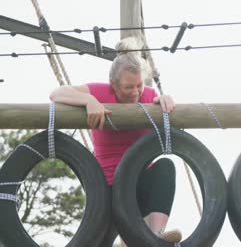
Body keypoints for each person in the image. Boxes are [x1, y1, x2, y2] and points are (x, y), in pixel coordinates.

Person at [49, 37, 182, 245]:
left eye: (139, 85)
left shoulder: (148, 95)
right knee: (100, 239)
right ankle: (126, 239)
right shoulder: (100, 92)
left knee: (165, 166)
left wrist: (166, 100)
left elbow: (161, 106)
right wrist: (88, 100)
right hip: (108, 186)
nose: (136, 92)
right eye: (129, 87)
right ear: (114, 84)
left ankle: (155, 235)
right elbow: (56, 93)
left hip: (140, 180)